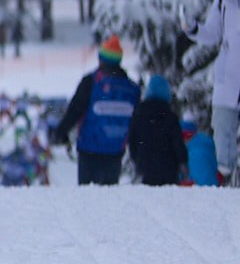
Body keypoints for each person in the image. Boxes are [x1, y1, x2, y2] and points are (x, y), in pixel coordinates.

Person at [52, 35, 140, 186]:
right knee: (109, 195)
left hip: (89, 151)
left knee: (88, 196)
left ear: (101, 59)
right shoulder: (132, 88)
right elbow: (135, 123)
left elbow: (74, 111)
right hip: (115, 152)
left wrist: (60, 133)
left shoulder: (91, 82)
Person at [193, 0, 240, 187]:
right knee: (223, 130)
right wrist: (193, 29)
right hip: (229, 75)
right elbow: (212, 33)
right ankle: (225, 179)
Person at [126, 73, 187, 187]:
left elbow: (132, 143)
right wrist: (182, 162)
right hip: (168, 169)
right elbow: (177, 143)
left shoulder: (138, 116)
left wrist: (137, 161)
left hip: (145, 168)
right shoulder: (170, 117)